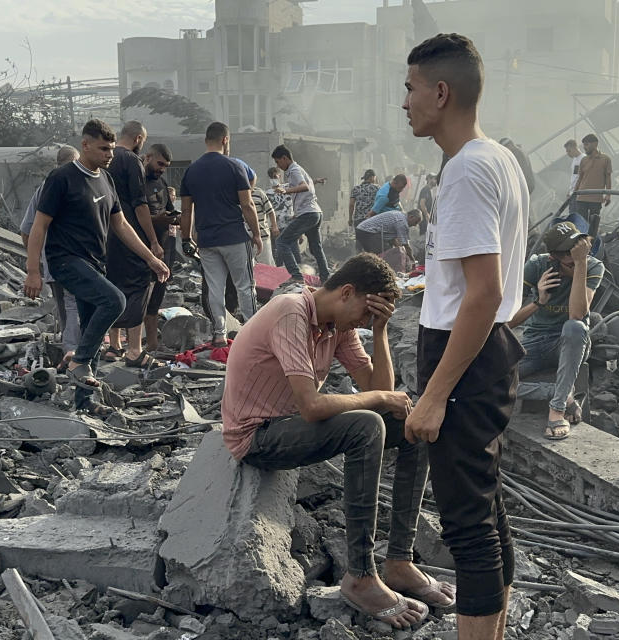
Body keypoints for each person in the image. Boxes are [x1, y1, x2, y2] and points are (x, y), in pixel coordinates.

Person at [221, 253, 454, 629]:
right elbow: (313, 407)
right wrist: (380, 400)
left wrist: (379, 332)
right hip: (256, 435)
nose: (363, 323)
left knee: (412, 428)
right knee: (366, 426)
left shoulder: (335, 327)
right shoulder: (292, 311)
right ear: (347, 292)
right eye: (366, 314)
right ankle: (360, 575)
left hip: (289, 425)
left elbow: (379, 388)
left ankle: (398, 561)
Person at [403, 33, 529, 640]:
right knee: (486, 505)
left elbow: (482, 292)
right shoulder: (495, 157)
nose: (404, 102)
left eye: (410, 88)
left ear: (441, 92)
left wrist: (434, 394)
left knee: (466, 522)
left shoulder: (469, 171)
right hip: (486, 350)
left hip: (464, 355)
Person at [23, 119, 169, 416]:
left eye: (112, 149)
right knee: (115, 300)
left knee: (92, 328)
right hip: (65, 261)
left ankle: (84, 402)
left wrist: (150, 258)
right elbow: (38, 226)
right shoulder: (61, 178)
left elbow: (122, 224)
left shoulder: (106, 179)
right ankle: (78, 360)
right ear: (85, 145)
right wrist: (33, 270)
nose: (109, 155)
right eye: (104, 148)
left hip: (94, 263)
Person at [509, 221, 603, 439]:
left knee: (575, 327)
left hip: (570, 343)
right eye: (570, 259)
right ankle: (554, 392)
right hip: (534, 341)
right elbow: (506, 323)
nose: (579, 260)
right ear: (554, 258)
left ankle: (557, 408)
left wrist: (580, 266)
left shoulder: (592, 266)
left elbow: (577, 314)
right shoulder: (536, 267)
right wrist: (538, 302)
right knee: (485, 378)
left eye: (580, 253)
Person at [180, 122, 262, 346]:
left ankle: (219, 334)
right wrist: (256, 233)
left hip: (206, 240)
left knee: (215, 288)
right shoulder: (234, 167)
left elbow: (186, 210)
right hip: (234, 237)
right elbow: (247, 205)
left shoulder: (191, 170)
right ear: (225, 140)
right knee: (245, 285)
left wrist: (186, 238)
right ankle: (253, 333)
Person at [104, 121, 166, 368]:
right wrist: (152, 241)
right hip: (129, 234)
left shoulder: (105, 160)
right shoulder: (131, 161)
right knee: (138, 285)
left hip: (105, 234)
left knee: (112, 285)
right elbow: (140, 205)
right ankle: (134, 349)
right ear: (139, 138)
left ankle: (113, 345)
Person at [20, 145, 82, 366]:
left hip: (54, 262)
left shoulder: (45, 187)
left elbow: (26, 231)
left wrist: (37, 261)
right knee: (74, 305)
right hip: (75, 260)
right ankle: (75, 354)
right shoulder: (77, 183)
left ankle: (71, 353)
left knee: (66, 309)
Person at [272, 145, 331, 284]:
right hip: (315, 212)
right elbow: (307, 185)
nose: (278, 165)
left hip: (308, 213)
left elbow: (304, 186)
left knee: (282, 242)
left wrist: (286, 191)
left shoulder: (294, 170)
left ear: (284, 158)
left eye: (278, 161)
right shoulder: (298, 169)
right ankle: (325, 278)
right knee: (316, 248)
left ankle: (296, 275)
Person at [141, 144, 177, 354]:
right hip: (144, 248)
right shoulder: (137, 182)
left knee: (158, 293)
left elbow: (170, 211)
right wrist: (157, 220)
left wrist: (177, 218)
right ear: (148, 157)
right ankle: (132, 345)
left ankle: (153, 343)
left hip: (165, 247)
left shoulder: (161, 183)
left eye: (166, 166)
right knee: (140, 294)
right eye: (160, 163)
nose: (162, 168)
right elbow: (135, 216)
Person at [267, 167, 300, 268]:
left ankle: (299, 275)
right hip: (277, 227)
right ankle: (279, 278)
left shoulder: (288, 188)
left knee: (295, 253)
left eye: (275, 176)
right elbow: (268, 211)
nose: (274, 179)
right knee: (279, 255)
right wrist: (273, 226)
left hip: (291, 225)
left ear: (280, 176)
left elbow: (303, 188)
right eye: (272, 177)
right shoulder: (268, 193)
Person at [355, 209, 422, 260]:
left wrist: (398, 250)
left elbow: (394, 240)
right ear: (411, 217)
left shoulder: (399, 214)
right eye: (416, 222)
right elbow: (406, 245)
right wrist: (412, 259)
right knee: (386, 255)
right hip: (368, 232)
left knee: (386, 252)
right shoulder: (402, 223)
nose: (415, 225)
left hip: (361, 229)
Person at [573, 134, 611, 221]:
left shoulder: (606, 159)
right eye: (584, 145)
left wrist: (608, 195)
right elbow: (580, 178)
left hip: (596, 198)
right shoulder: (584, 160)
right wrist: (574, 193)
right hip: (582, 198)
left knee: (593, 224)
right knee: (582, 223)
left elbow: (608, 178)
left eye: (587, 144)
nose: (584, 147)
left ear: (595, 144)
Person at [252, 179, 279, 266]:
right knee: (251, 267)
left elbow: (270, 211)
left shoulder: (259, 193)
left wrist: (274, 226)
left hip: (262, 235)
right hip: (246, 238)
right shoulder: (236, 194)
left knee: (267, 264)